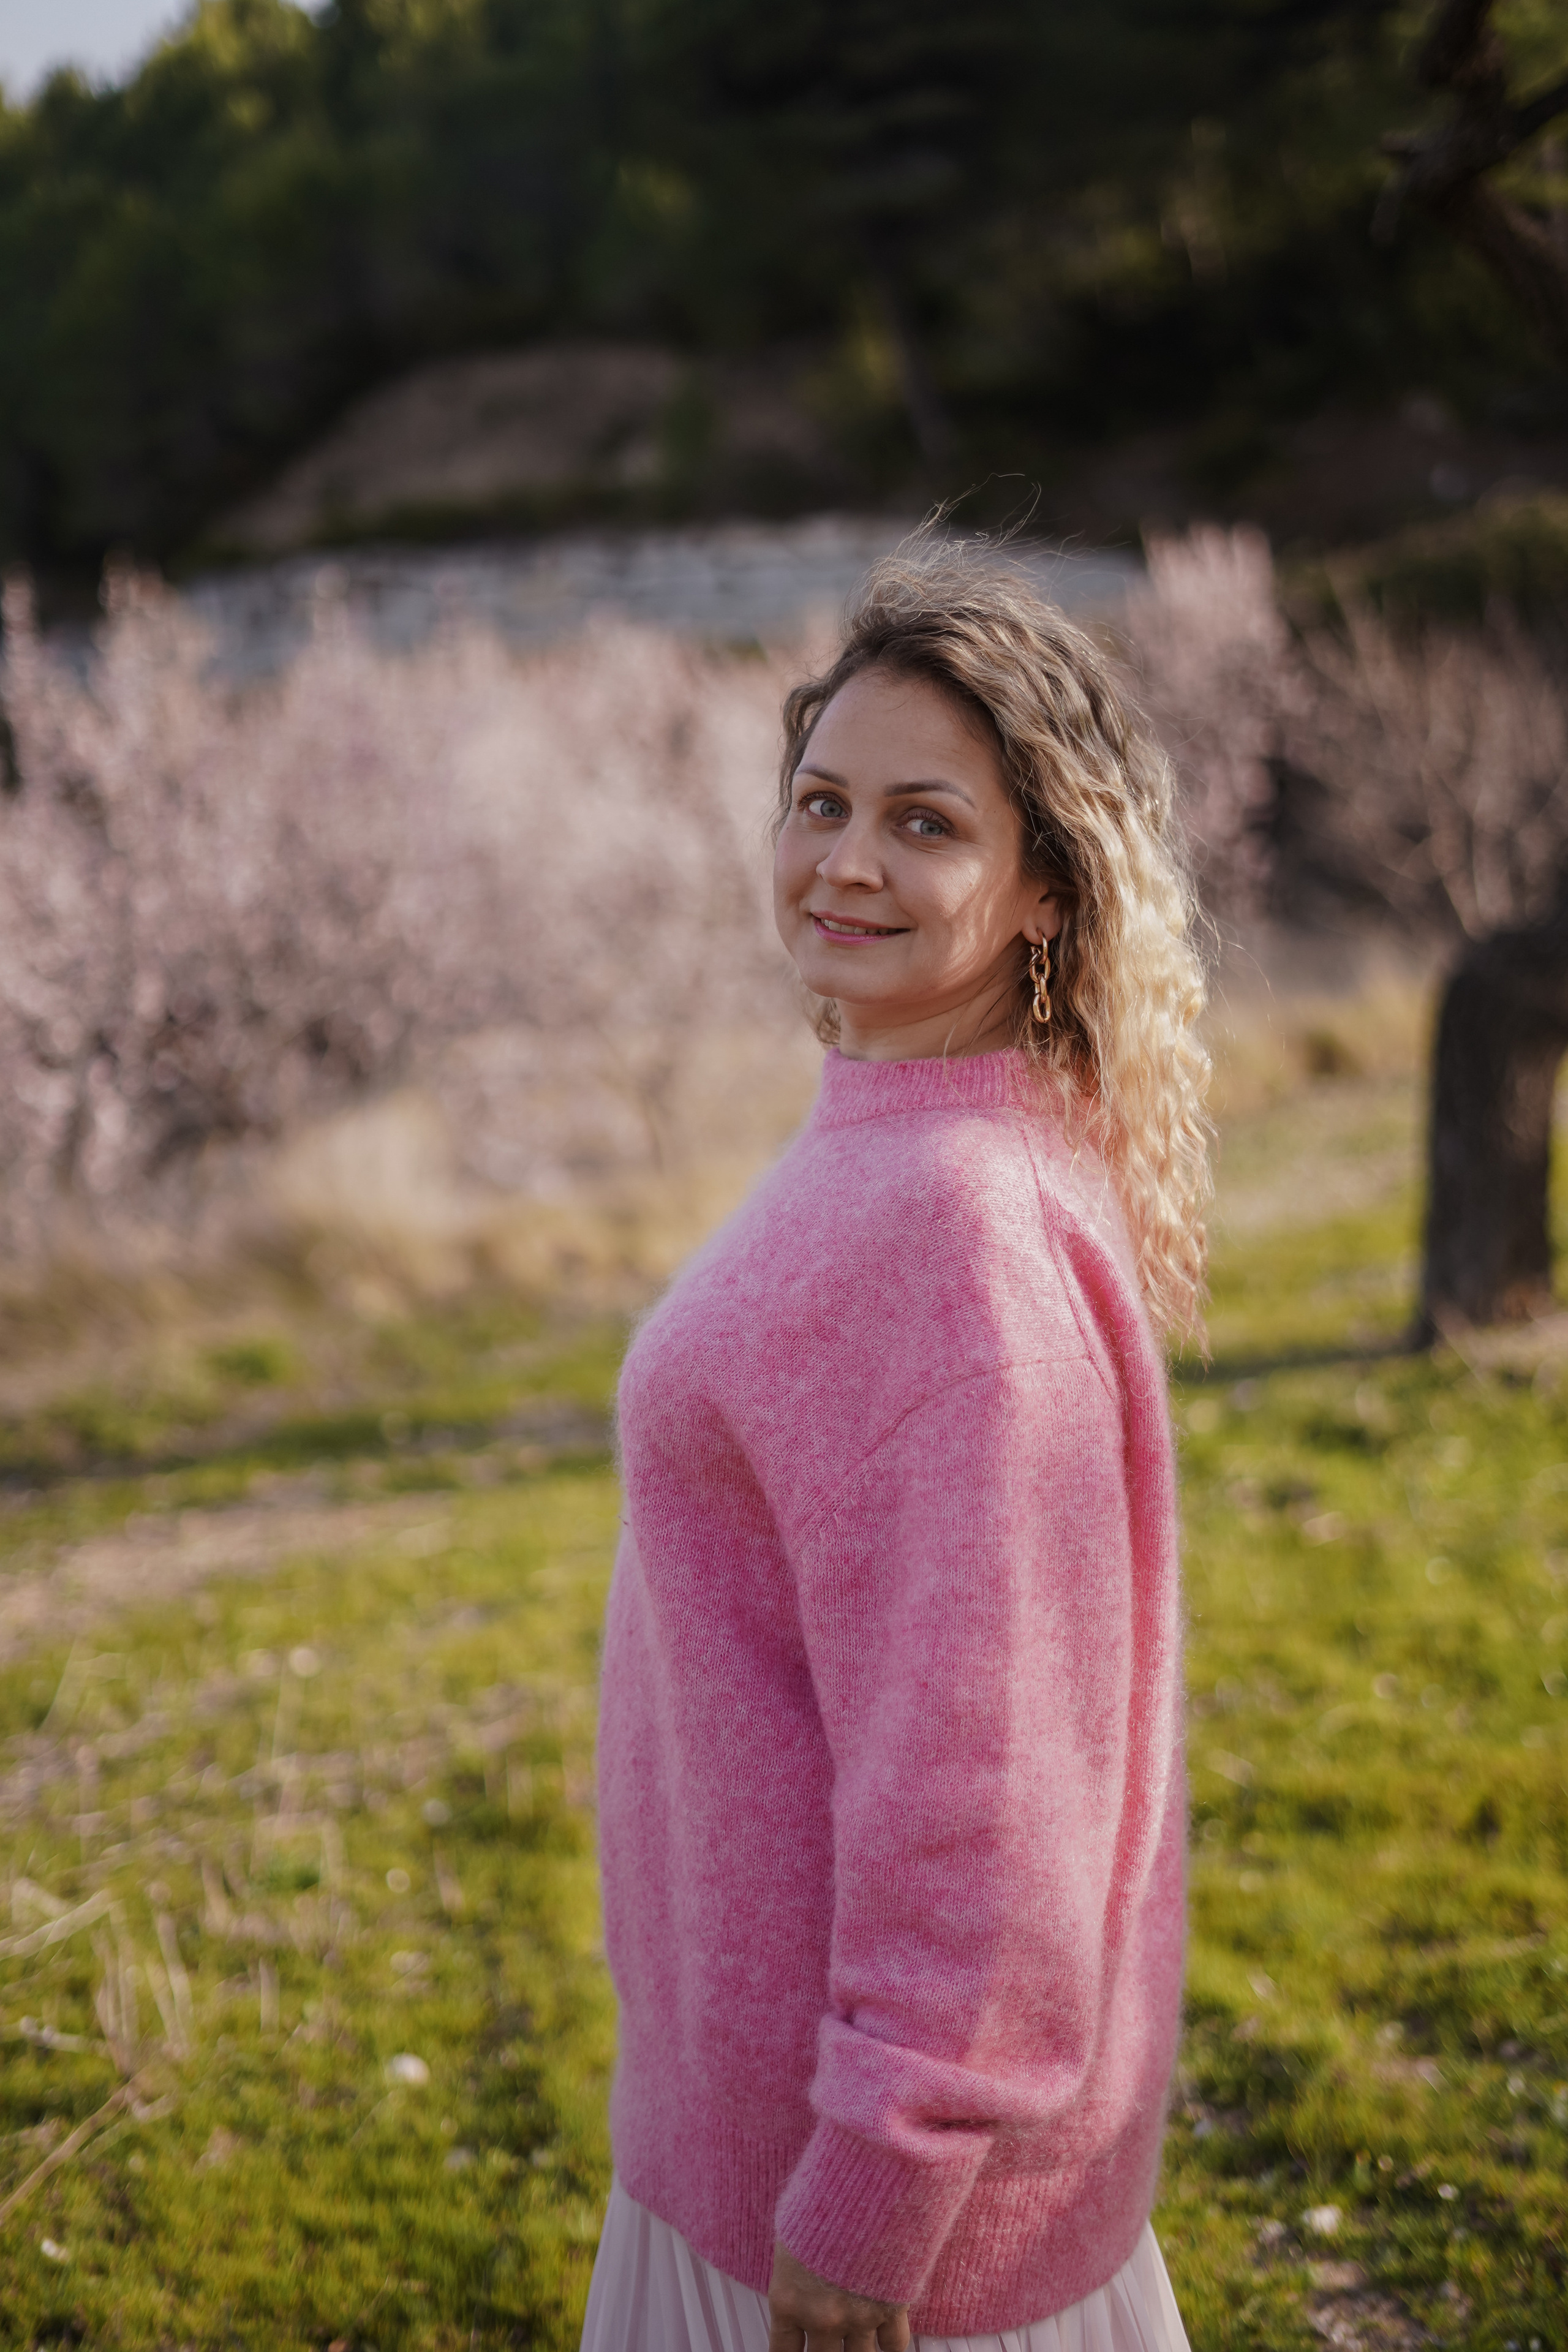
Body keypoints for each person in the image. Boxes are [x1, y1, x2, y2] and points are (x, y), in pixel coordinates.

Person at [582, 541, 1210, 2352]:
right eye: (821, 801)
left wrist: (875, 2197)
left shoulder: (951, 1230)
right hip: (767, 2151)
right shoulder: (911, 1134)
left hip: (863, 2240)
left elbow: (989, 1778)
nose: (847, 860)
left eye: (927, 823)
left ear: (1039, 893)